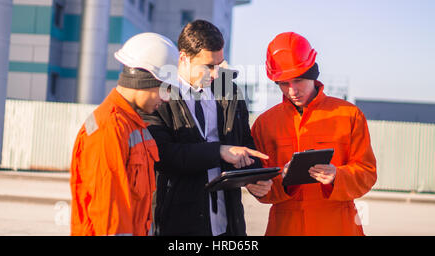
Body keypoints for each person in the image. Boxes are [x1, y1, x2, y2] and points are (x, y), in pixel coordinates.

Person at [141, 19, 270, 236]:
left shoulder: (230, 90)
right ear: (183, 58)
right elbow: (162, 154)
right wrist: (219, 151)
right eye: (209, 66)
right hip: (177, 224)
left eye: (219, 64)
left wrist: (253, 177)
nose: (216, 73)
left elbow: (244, 143)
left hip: (228, 224)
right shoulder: (158, 95)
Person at [251, 32, 377, 236]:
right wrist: (278, 181)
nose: (292, 91)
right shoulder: (265, 124)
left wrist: (338, 175)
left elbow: (367, 174)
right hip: (285, 228)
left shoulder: (349, 115)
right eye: (284, 83)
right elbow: (261, 188)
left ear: (312, 74)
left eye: (298, 80)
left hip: (338, 227)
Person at [70, 32, 179, 236]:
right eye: (166, 90)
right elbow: (108, 215)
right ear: (146, 80)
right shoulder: (109, 128)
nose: (167, 99)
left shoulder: (134, 125)